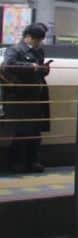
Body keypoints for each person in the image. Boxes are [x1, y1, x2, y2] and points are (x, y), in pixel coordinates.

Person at [1, 23, 52, 173]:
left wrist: (43, 69)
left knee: (35, 131)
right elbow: (9, 65)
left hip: (35, 96)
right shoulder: (14, 50)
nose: (38, 43)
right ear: (27, 37)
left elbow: (39, 70)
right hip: (19, 97)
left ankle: (33, 161)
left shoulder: (39, 51)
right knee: (20, 131)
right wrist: (32, 67)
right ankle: (18, 162)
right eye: (36, 39)